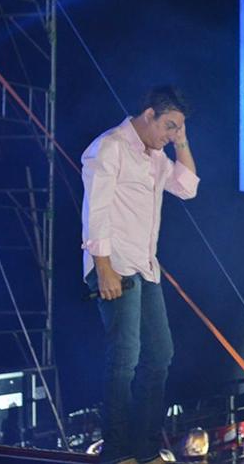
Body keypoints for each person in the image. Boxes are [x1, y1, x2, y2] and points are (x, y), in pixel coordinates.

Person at [81, 85, 199, 464]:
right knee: (124, 358)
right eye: (168, 126)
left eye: (177, 128)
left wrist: (181, 142)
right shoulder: (110, 146)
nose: (170, 134)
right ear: (149, 114)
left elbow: (187, 188)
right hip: (114, 264)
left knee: (160, 354)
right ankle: (116, 452)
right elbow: (96, 210)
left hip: (146, 268)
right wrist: (103, 268)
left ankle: (145, 449)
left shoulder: (157, 157)